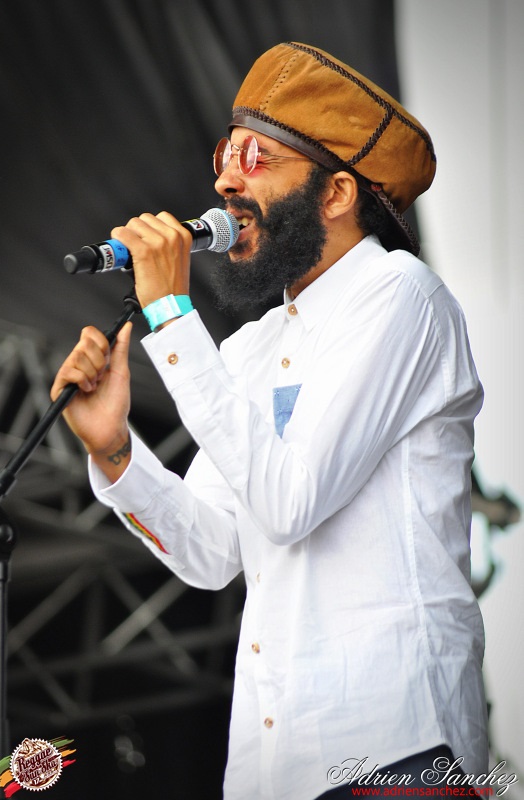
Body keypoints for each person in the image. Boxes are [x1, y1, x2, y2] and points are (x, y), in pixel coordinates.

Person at [51, 42, 489, 800]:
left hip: (397, 746)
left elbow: (291, 501)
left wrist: (171, 314)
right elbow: (213, 551)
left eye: (256, 157)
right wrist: (117, 451)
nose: (226, 179)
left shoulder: (401, 297)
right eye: (226, 153)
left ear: (337, 193)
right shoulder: (251, 347)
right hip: (275, 765)